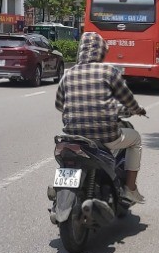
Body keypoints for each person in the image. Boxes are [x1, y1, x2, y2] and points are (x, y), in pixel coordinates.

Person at [54, 32, 147, 204]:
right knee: (136, 140)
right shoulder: (109, 72)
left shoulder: (68, 74)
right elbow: (127, 100)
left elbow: (59, 105)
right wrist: (137, 110)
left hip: (72, 137)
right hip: (104, 136)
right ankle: (130, 188)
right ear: (101, 52)